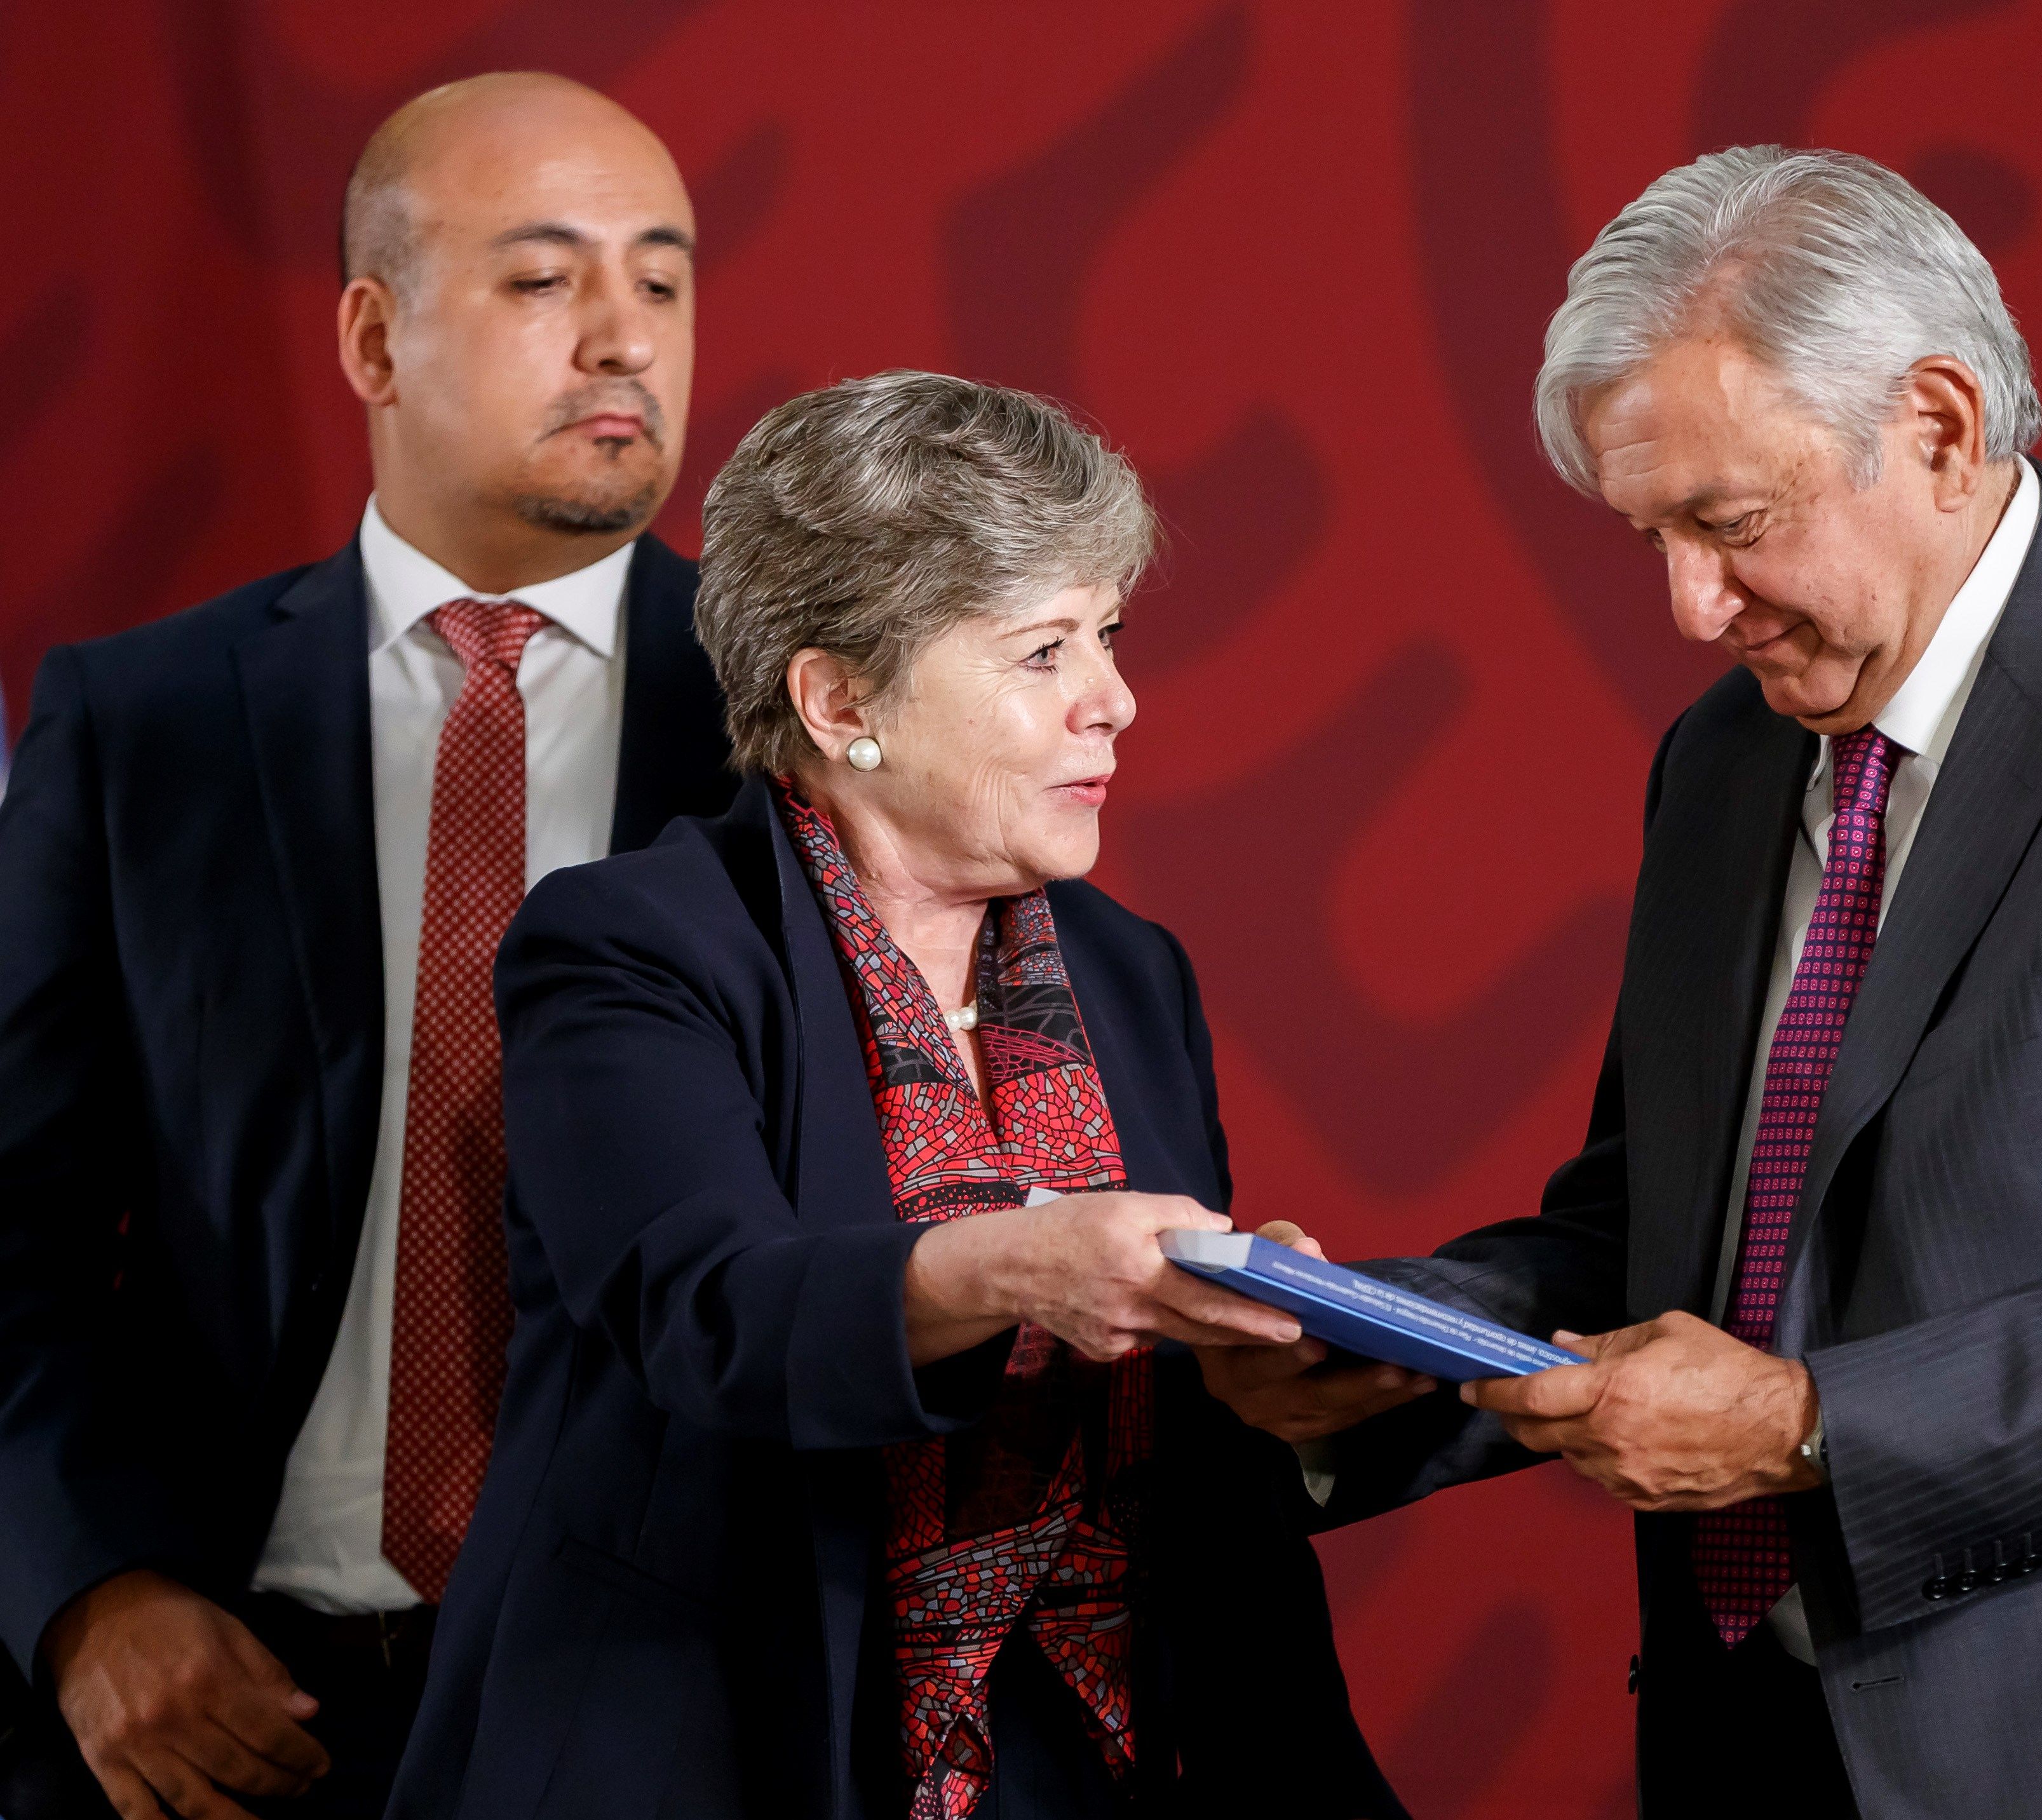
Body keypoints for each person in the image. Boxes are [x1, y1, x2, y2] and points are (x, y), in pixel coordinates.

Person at [1203, 147, 2042, 1819]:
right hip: (1760, 1743)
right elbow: (1665, 1231)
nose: (1690, 606)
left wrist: (1804, 1423)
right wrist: (1389, 1353)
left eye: (1731, 526)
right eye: (1653, 537)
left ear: (1935, 424)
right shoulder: (1723, 760)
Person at [388, 371, 1405, 1820]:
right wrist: (1019, 1265)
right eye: (1042, 649)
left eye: (1106, 633)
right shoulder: (627, 944)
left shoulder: (1130, 970)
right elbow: (714, 1312)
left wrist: (1251, 1360)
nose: (1113, 698)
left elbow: (1161, 1427)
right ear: (839, 695)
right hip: (729, 1743)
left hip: (1098, 1747)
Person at [0, 73, 734, 1820]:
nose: (624, 338)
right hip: (225, 1712)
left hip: (675, 1712)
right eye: (547, 281)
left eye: (664, 279)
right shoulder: (144, 724)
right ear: (372, 337)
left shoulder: (800, 723)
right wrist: (82, 1594)